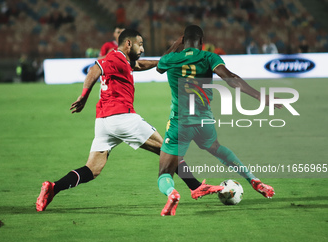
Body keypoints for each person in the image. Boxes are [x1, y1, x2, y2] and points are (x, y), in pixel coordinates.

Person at [36, 29, 223, 212]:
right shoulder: (115, 57)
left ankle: (53, 188)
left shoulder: (124, 61)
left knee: (92, 169)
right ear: (128, 43)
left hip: (104, 122)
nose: (142, 49)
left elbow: (142, 65)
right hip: (122, 117)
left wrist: (173, 49)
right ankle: (195, 187)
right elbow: (95, 68)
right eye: (140, 45)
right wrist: (84, 95)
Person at [156, 25, 282, 216]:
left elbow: (158, 67)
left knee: (165, 170)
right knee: (216, 148)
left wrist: (175, 45)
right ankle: (253, 179)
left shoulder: (170, 59)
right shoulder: (209, 57)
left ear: (183, 40)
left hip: (179, 123)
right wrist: (259, 96)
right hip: (204, 121)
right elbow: (230, 78)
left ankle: (172, 193)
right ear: (202, 41)